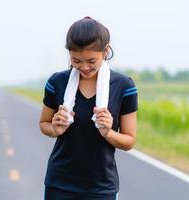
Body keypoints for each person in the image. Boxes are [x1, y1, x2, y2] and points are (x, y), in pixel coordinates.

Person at [39, 16, 138, 200]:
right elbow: (44, 123)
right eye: (76, 61)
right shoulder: (57, 82)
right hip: (59, 184)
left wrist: (108, 132)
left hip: (101, 187)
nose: (84, 67)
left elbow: (129, 141)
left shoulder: (124, 86)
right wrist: (54, 129)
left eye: (91, 61)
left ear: (105, 51)